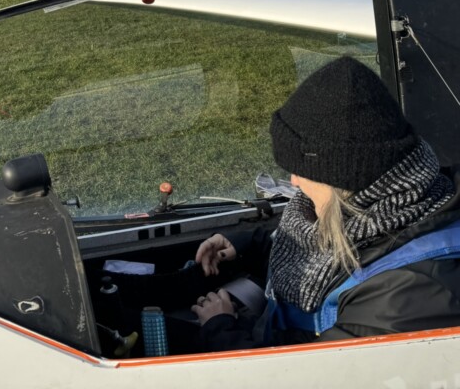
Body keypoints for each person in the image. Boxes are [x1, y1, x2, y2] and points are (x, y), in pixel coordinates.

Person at [190, 56, 460, 351]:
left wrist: (220, 328)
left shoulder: (409, 293)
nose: (294, 181)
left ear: (343, 179)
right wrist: (246, 246)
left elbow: (301, 376)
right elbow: (331, 254)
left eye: (304, 171)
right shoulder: (388, 208)